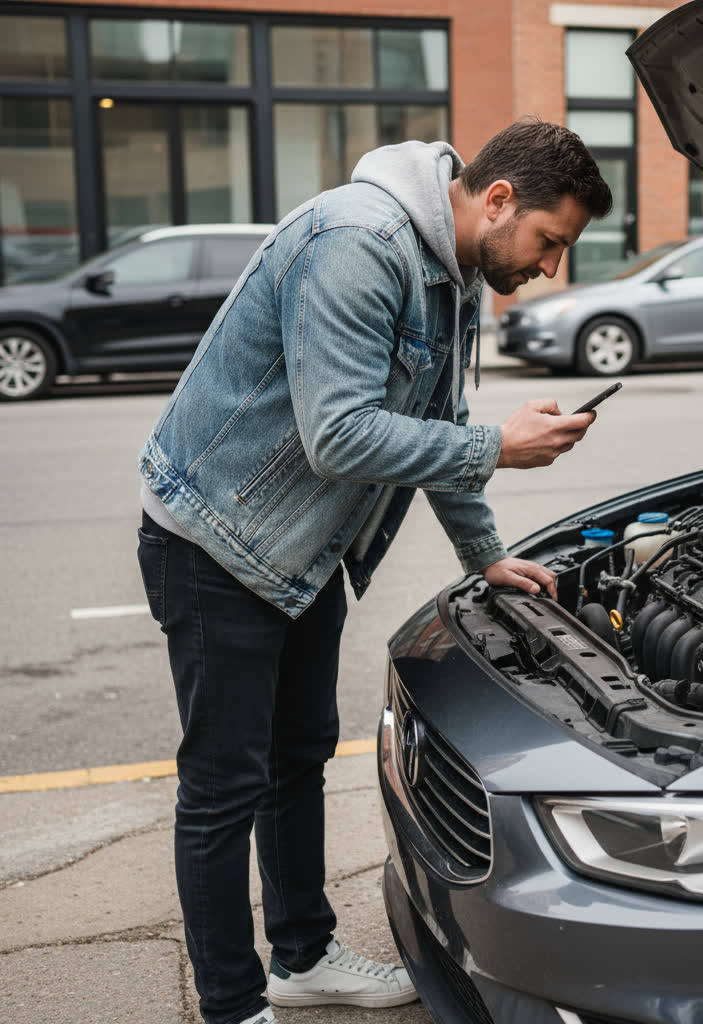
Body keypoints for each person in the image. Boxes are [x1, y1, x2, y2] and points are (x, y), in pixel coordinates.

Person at [135, 117, 613, 1024]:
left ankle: (302, 956)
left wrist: (487, 556)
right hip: (215, 540)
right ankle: (234, 1007)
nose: (551, 268)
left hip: (298, 552)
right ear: (499, 199)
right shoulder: (360, 243)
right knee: (224, 782)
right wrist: (496, 447)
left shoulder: (453, 273)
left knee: (297, 759)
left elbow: (438, 429)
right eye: (552, 242)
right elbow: (341, 434)